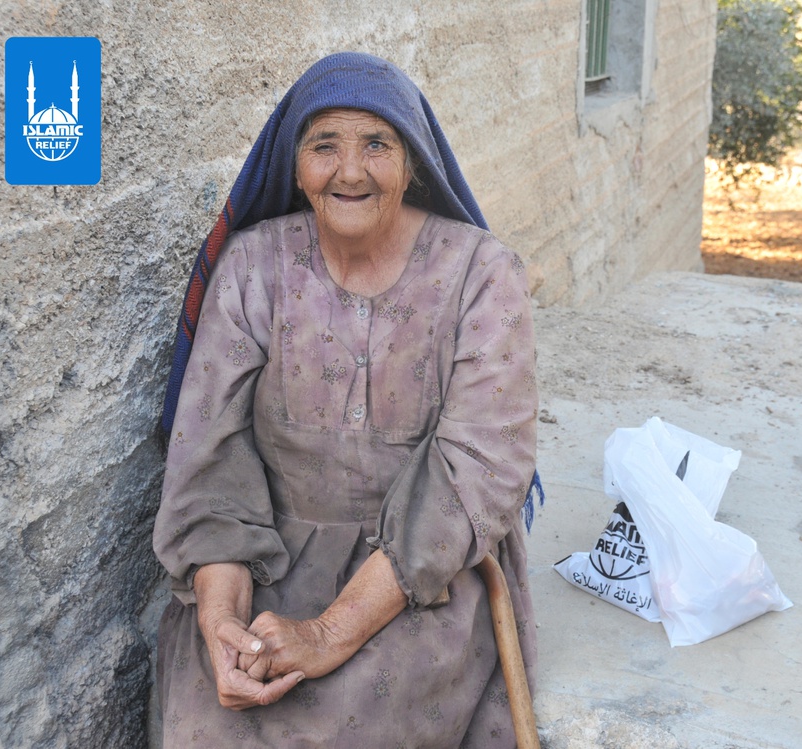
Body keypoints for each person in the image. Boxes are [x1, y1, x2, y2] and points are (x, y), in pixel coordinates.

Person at [153, 52, 539, 748]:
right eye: (324, 145)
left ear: (414, 161)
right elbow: (209, 465)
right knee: (208, 718)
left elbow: (479, 474)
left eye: (377, 145)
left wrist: (327, 634)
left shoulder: (482, 273)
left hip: (421, 575)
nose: (351, 170)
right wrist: (222, 624)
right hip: (267, 558)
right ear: (295, 167)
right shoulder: (252, 268)